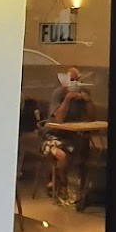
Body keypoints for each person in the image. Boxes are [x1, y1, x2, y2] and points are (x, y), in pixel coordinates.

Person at [41, 68, 92, 198]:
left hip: (72, 136)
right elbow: (58, 119)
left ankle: (56, 183)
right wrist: (67, 99)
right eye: (72, 80)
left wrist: (87, 101)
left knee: (78, 152)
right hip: (52, 135)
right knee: (61, 155)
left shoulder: (83, 93)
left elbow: (92, 117)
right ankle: (62, 184)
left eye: (77, 80)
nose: (75, 83)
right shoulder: (58, 93)